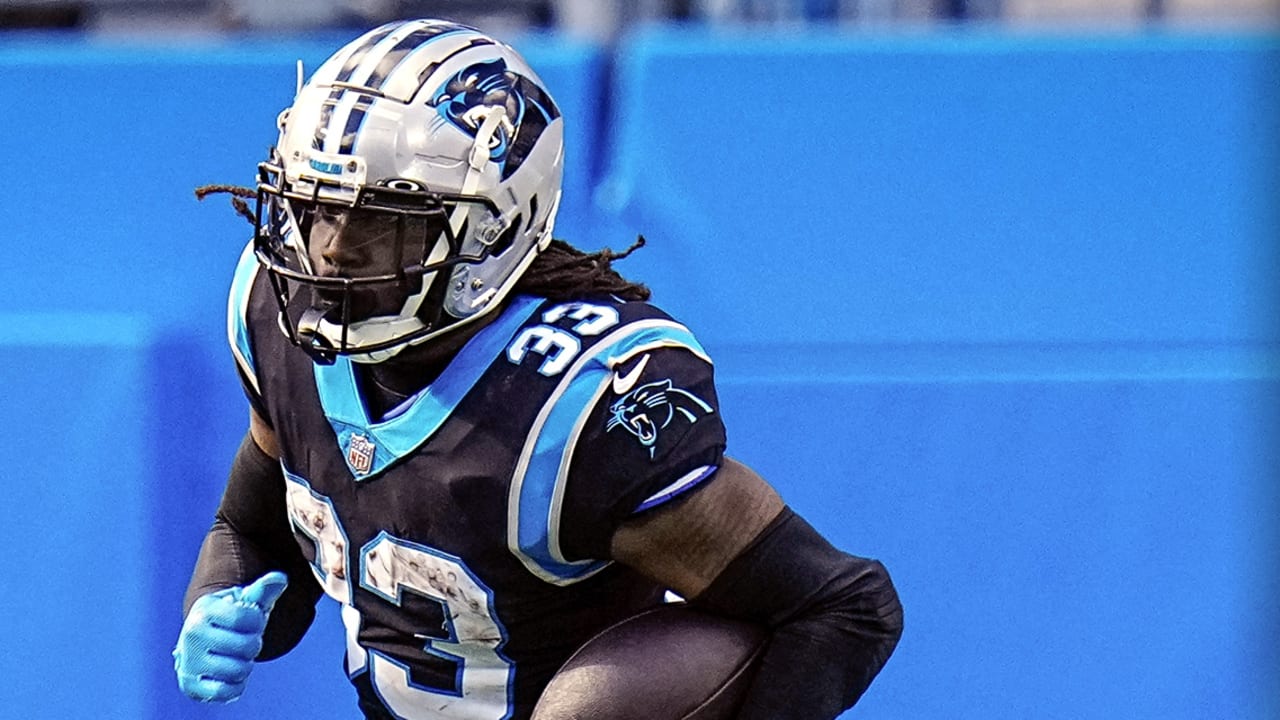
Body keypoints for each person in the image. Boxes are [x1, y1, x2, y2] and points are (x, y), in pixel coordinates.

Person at [174, 18, 902, 720]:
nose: (329, 252)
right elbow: (253, 526)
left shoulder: (572, 405)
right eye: (317, 209)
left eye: (380, 222)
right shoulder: (278, 314)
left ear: (493, 225)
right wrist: (221, 599)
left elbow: (843, 606)